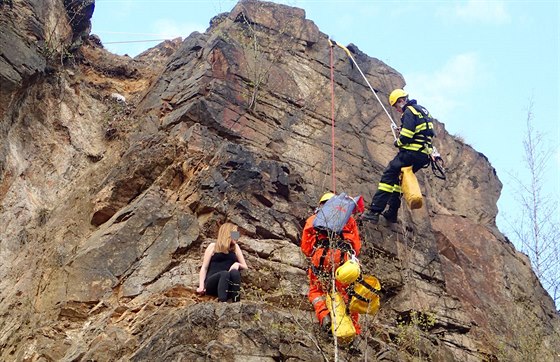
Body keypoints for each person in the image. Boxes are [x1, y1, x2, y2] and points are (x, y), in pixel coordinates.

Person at [362, 89, 434, 223]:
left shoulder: (409, 111)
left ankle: (374, 211)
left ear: (401, 101)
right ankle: (392, 213)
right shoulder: (421, 110)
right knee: (398, 181)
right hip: (422, 154)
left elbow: (406, 136)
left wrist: (398, 141)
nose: (396, 109)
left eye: (395, 106)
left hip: (411, 153)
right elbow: (422, 131)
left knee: (388, 176)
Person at [300, 192, 362, 334]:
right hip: (343, 258)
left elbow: (306, 247)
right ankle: (354, 331)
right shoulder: (349, 220)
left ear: (321, 204)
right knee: (347, 293)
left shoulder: (313, 219)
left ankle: (325, 316)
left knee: (316, 291)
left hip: (321, 256)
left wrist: (315, 254)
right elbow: (356, 246)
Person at [197, 222, 248, 302]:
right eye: (235, 234)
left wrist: (237, 264)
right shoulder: (213, 246)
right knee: (225, 273)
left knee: (235, 272)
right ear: (227, 234)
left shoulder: (236, 248)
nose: (237, 237)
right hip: (213, 283)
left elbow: (245, 266)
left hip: (227, 285)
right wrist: (201, 286)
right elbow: (204, 268)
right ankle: (222, 302)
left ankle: (236, 302)